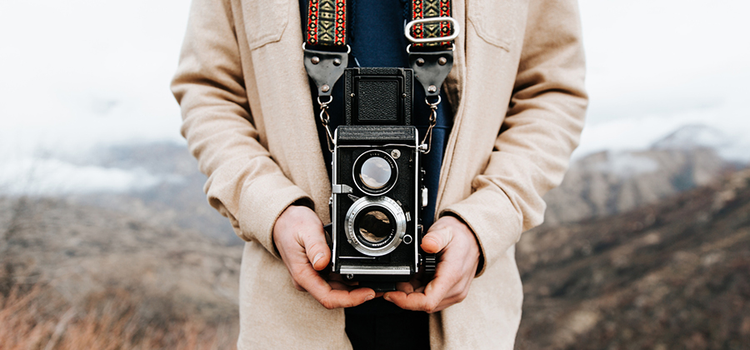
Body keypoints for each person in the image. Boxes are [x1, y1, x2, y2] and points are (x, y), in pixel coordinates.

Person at [171, 0, 587, 348]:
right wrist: (273, 209)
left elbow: (552, 91)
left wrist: (486, 220)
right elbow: (210, 91)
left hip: (463, 314)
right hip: (292, 316)